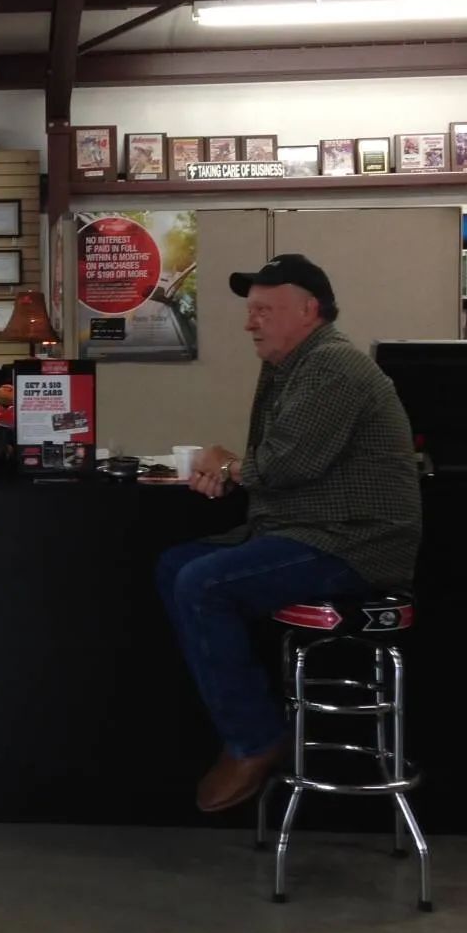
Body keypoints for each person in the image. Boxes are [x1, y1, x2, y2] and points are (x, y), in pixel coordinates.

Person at [157, 254, 421, 814]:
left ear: (309, 309)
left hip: (355, 543)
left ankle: (256, 741)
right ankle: (246, 728)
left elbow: (285, 465)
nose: (250, 322)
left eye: (263, 310)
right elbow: (278, 463)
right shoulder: (297, 365)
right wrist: (232, 464)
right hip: (310, 530)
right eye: (251, 310)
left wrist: (227, 465)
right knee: (177, 566)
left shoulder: (331, 367)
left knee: (203, 584)